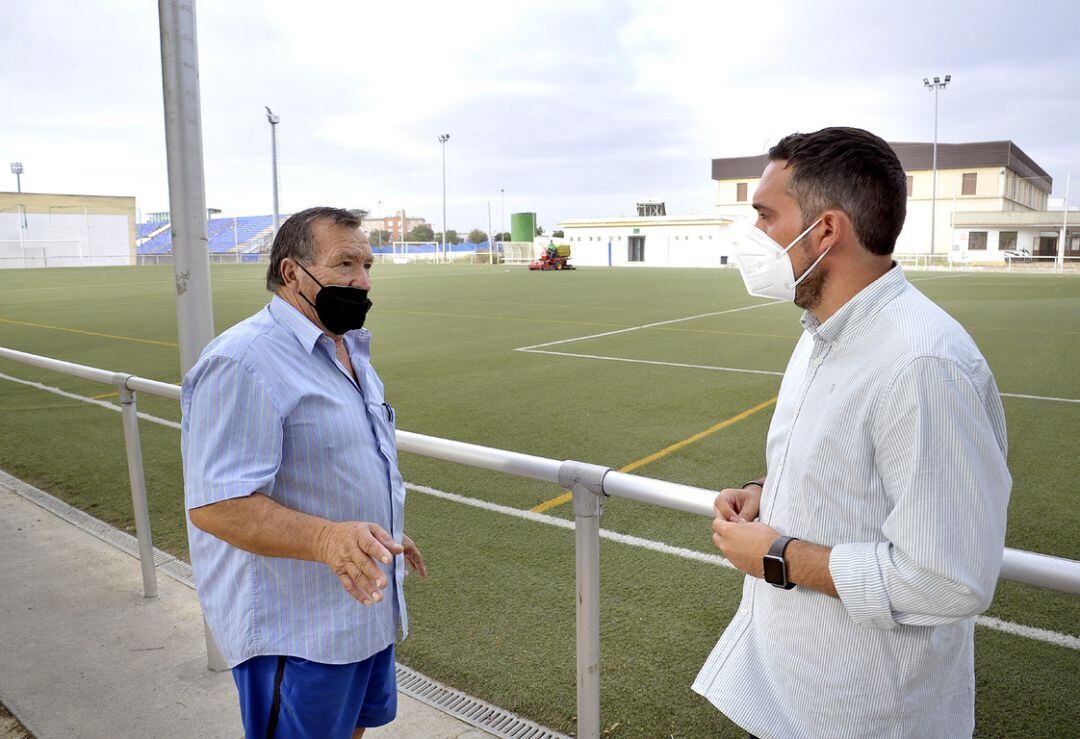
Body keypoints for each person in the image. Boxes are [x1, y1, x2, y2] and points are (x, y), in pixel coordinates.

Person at [694, 128, 1011, 738]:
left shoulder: (921, 366)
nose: (752, 236)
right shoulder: (823, 330)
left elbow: (948, 581)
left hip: (866, 715)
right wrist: (766, 487)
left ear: (827, 231)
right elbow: (848, 464)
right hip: (793, 696)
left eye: (765, 216)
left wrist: (779, 558)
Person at [181, 206, 426, 738]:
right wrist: (328, 539)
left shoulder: (349, 352)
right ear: (292, 273)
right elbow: (216, 504)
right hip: (296, 631)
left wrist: (378, 534)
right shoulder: (244, 361)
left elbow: (337, 465)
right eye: (344, 264)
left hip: (359, 611)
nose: (362, 281)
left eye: (366, 265)